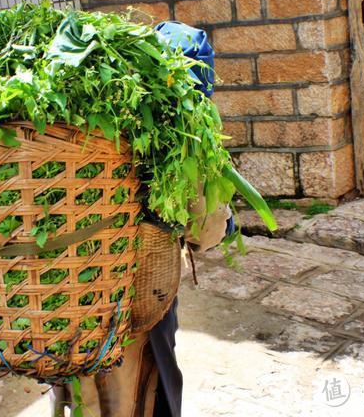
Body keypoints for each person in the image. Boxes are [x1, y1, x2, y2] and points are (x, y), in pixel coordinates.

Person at [52, 23, 233, 416]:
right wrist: (223, 225)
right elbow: (206, 226)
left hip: (73, 287)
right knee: (150, 385)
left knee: (81, 384)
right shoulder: (183, 137)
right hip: (142, 296)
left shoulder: (92, 119)